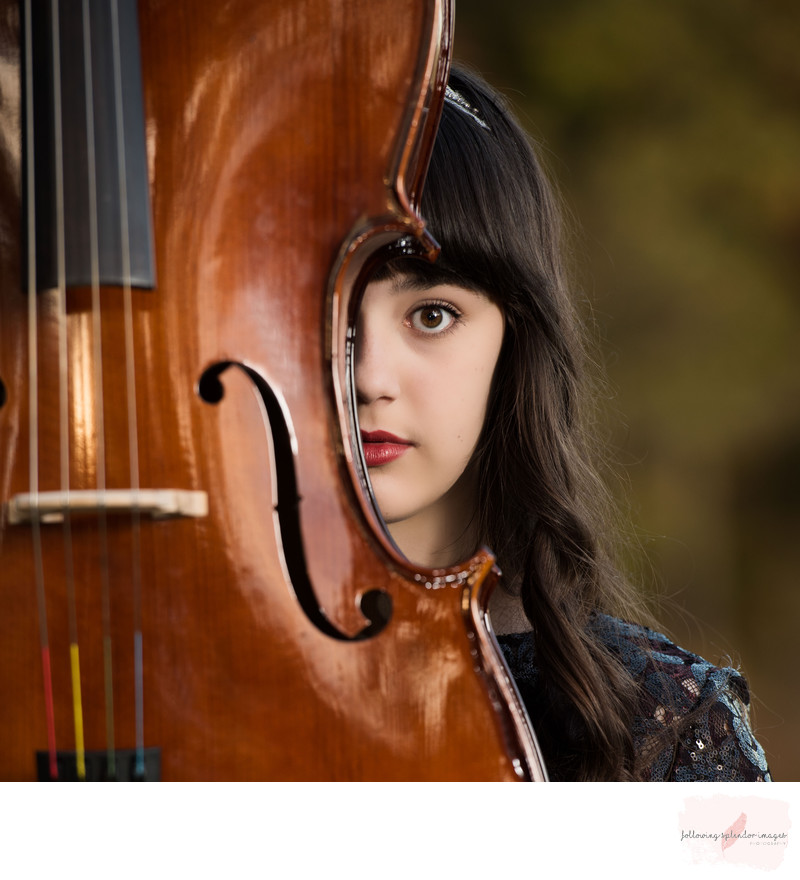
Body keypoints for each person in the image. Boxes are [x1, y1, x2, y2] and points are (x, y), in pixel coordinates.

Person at [355, 65, 772, 782]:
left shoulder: (654, 726)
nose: (368, 379)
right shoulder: (158, 676)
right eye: (326, 314)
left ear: (512, 344)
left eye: (432, 315)